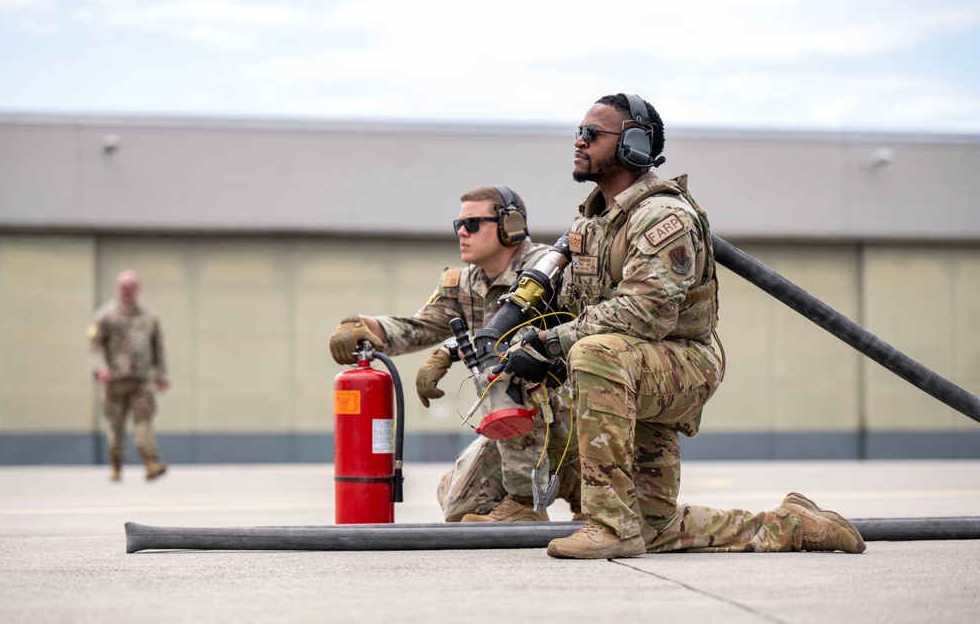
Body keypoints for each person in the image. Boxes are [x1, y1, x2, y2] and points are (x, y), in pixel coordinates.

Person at [499, 93, 867, 558]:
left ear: (633, 144)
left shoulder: (663, 215)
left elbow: (646, 310)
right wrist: (532, 341)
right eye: (579, 131)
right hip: (633, 364)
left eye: (593, 134)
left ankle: (609, 526)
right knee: (656, 526)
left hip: (680, 364)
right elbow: (580, 308)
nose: (579, 140)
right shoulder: (593, 223)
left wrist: (555, 343)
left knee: (592, 353)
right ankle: (794, 525)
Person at [329, 186, 581, 522]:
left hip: (575, 415)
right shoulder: (462, 283)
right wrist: (367, 327)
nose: (462, 232)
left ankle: (530, 504)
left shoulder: (547, 270)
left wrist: (449, 351)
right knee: (458, 504)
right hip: (525, 429)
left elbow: (525, 342)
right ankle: (566, 495)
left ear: (512, 225)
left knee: (513, 370)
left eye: (474, 223)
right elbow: (420, 327)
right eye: (458, 224)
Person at [89, 270, 169, 482]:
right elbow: (95, 346)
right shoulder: (105, 316)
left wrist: (161, 375)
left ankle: (150, 463)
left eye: (131, 287)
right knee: (115, 426)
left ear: (138, 289)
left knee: (144, 423)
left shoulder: (149, 317)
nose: (128, 291)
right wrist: (100, 368)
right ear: (118, 289)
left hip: (141, 380)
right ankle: (116, 466)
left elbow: (158, 349)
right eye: (124, 287)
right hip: (114, 381)